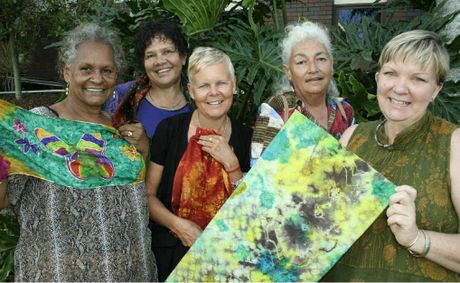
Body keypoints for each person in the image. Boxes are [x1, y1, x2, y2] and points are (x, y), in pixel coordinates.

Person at [0, 22, 157, 281]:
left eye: (106, 70)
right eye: (86, 69)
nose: (97, 78)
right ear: (67, 72)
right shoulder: (38, 126)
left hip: (132, 273)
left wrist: (144, 151)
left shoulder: (120, 130)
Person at [322, 30, 460, 281]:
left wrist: (417, 238)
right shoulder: (352, 137)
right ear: (377, 79)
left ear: (436, 90)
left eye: (418, 79)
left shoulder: (454, 144)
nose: (400, 88)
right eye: (390, 73)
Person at [146, 47, 252, 281]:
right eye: (204, 86)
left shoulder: (246, 137)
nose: (214, 93)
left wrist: (232, 164)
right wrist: (178, 225)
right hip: (171, 255)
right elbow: (148, 195)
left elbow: (250, 208)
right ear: (191, 91)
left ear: (233, 85)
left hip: (227, 259)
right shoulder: (169, 130)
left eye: (221, 83)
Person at [251, 21, 354, 166]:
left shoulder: (344, 111)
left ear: (331, 65)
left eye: (321, 59)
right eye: (301, 62)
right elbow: (260, 176)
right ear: (288, 72)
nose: (313, 68)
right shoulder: (278, 110)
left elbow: (357, 171)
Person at [109, 20, 190, 138]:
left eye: (167, 52)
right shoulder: (121, 97)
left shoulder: (201, 101)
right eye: (151, 55)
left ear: (183, 57)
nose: (160, 61)